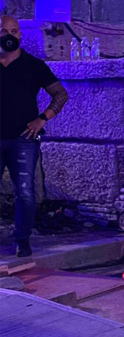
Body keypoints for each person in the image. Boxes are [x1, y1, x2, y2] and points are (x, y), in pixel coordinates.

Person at [0, 15, 68, 258]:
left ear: (20, 35)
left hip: (24, 139)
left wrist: (43, 119)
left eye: (13, 31)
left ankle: (22, 241)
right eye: (3, 30)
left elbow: (61, 94)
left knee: (26, 192)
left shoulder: (33, 65)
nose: (9, 35)